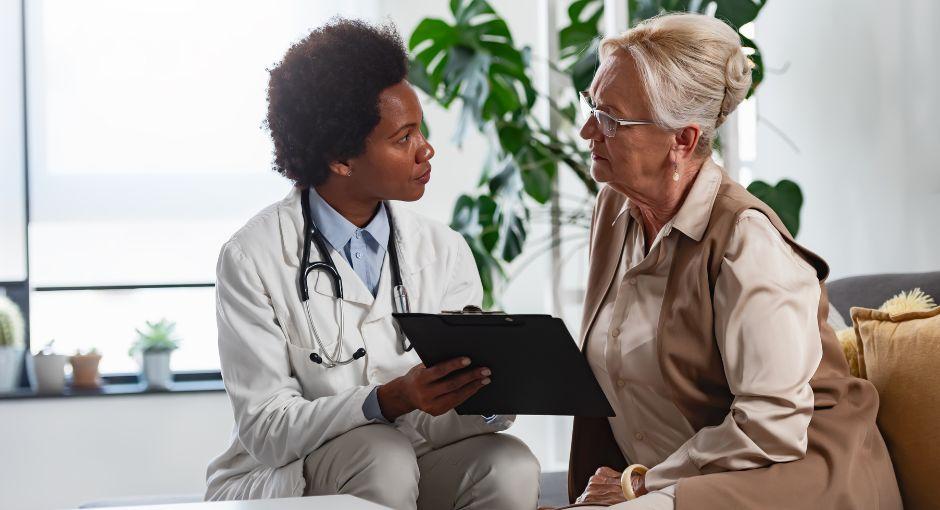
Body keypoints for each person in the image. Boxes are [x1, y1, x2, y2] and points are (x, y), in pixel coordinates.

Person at [565, 12, 901, 510]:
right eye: (592, 106)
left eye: (612, 119)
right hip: (683, 480)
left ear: (682, 139)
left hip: (796, 480)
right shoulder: (616, 204)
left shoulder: (748, 242)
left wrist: (642, 482)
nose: (588, 130)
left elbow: (771, 429)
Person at [204, 18, 539, 510]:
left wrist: (489, 398)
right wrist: (388, 399)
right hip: (284, 476)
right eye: (403, 138)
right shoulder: (252, 257)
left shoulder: (443, 251)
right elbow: (268, 432)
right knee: (381, 455)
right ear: (341, 157)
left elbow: (432, 422)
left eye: (419, 129)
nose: (426, 149)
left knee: (509, 464)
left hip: (406, 460)